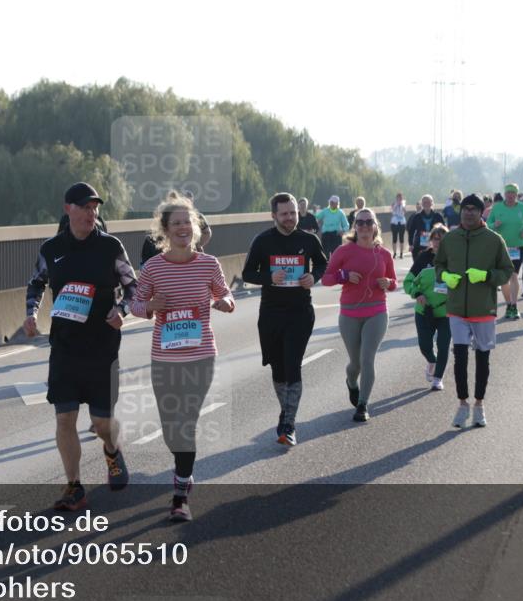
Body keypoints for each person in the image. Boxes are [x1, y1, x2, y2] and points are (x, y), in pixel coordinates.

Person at [24, 182, 137, 511]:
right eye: (86, 207)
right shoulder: (51, 249)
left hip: (102, 346)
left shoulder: (111, 247)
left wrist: (122, 310)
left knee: (102, 424)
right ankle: (74, 486)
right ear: (68, 208)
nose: (92, 213)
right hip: (65, 345)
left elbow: (133, 288)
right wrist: (31, 313)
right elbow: (37, 282)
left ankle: (112, 450)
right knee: (64, 418)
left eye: (95, 208)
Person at [130, 192, 235, 522]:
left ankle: (179, 496)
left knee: (185, 422)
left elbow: (226, 293)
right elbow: (134, 304)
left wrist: (226, 303)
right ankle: (184, 472)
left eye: (186, 222)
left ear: (195, 227)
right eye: (175, 223)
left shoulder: (208, 264)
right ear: (165, 230)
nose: (182, 228)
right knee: (170, 429)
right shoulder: (153, 268)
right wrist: (149, 307)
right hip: (164, 358)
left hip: (201, 355)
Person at [242, 193, 328, 445]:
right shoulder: (263, 241)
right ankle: (285, 413)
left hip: (300, 312)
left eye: (293, 213)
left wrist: (314, 276)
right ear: (274, 216)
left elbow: (322, 265)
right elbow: (248, 272)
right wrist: (269, 277)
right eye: (284, 214)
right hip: (270, 313)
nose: (290, 218)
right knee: (278, 368)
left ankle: (289, 425)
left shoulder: (309, 240)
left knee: (292, 366)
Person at [435, 194, 514, 429]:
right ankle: (462, 404)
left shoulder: (493, 240)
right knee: (459, 357)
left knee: (482, 358)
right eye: (465, 209)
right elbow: (439, 264)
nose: (468, 213)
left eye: (474, 209)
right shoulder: (451, 239)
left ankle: (479, 404)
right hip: (457, 308)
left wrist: (488, 277)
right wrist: (445, 276)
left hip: (483, 308)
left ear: (481, 212)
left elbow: (507, 270)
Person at [321, 208, 396, 422]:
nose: (364, 226)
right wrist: (343, 275)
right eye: (360, 222)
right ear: (355, 226)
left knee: (367, 358)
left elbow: (393, 282)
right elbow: (325, 278)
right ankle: (351, 383)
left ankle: (362, 405)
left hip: (377, 311)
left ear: (375, 226)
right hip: (350, 313)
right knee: (355, 363)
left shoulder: (384, 254)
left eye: (368, 222)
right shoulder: (343, 252)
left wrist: (389, 283)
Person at [403, 223, 450, 391]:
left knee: (444, 345)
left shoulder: (454, 259)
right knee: (425, 346)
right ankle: (432, 360)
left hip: (446, 312)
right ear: (431, 241)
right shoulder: (423, 258)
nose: (439, 242)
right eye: (435, 239)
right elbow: (408, 282)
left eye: (443, 239)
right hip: (424, 311)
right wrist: (417, 293)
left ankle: (438, 378)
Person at [488, 184, 523, 319]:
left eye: (513, 193)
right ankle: (508, 305)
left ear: (517, 195)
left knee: (513, 275)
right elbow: (488, 223)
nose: (511, 196)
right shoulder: (497, 207)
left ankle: (514, 305)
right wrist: (494, 225)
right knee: (504, 278)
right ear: (505, 194)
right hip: (501, 246)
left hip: (518, 246)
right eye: (508, 193)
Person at [406, 195, 446, 261]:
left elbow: (444, 231)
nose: (426, 204)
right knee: (418, 266)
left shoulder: (438, 216)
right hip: (419, 246)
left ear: (432, 203)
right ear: (422, 204)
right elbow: (411, 231)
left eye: (428, 202)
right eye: (424, 202)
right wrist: (410, 244)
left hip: (435, 245)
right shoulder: (417, 217)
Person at [389, 192, 407, 258]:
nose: (399, 199)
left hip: (402, 222)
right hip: (395, 222)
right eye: (398, 197)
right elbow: (392, 210)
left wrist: (402, 206)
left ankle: (401, 253)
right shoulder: (394, 204)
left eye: (400, 197)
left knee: (401, 238)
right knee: (394, 238)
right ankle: (394, 253)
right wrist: (396, 205)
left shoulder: (403, 204)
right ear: (396, 198)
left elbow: (405, 211)